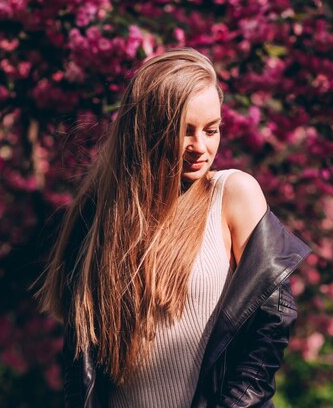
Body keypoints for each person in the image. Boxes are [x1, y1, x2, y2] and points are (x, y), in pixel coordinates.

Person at [35, 47, 312, 408]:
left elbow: (272, 326)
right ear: (148, 130)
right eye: (185, 131)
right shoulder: (98, 216)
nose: (201, 147)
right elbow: (79, 363)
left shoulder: (233, 194)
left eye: (212, 130)